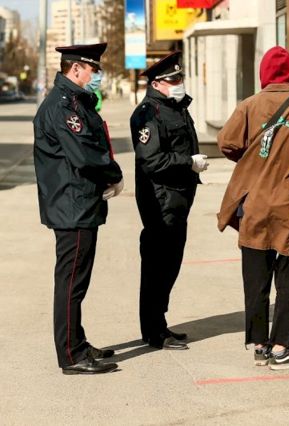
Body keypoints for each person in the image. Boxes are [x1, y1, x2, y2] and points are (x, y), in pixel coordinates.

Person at [217, 46, 289, 370]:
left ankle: (260, 344)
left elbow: (226, 142)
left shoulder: (248, 106)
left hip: (255, 205)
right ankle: (281, 347)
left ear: (263, 74)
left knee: (255, 279)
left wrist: (252, 161)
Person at [33, 43, 123, 375]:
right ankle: (71, 355)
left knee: (76, 282)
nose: (97, 75)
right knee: (71, 283)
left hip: (78, 203)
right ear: (76, 69)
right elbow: (84, 153)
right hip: (72, 206)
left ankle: (78, 342)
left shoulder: (75, 101)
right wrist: (114, 174)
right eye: (93, 69)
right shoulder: (63, 106)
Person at [130, 52, 208, 351]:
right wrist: (189, 162)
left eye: (180, 77)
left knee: (170, 264)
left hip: (178, 199)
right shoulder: (148, 114)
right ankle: (153, 331)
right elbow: (151, 160)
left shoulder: (175, 108)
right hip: (161, 201)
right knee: (157, 267)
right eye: (173, 79)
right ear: (157, 84)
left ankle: (158, 323)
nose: (179, 83)